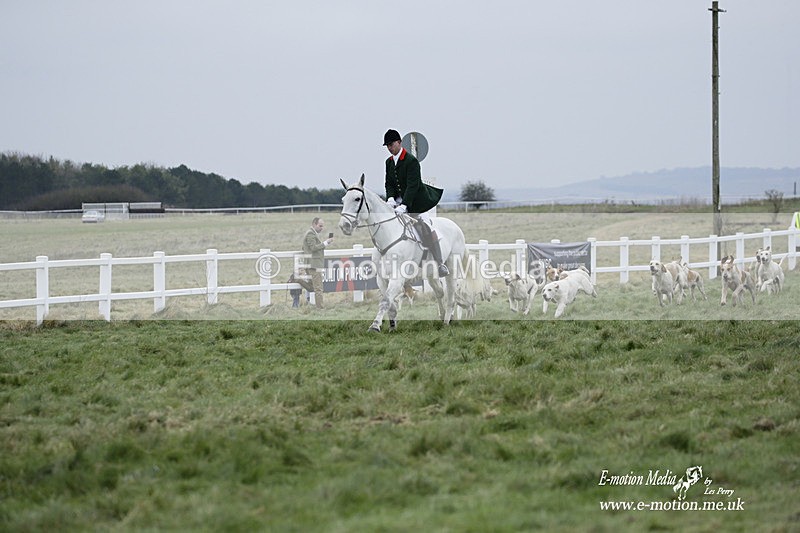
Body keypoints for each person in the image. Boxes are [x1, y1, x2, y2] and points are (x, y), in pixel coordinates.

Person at [383, 128, 449, 277]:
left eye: (391, 144)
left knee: (425, 225)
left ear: (399, 142)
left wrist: (404, 205)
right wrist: (390, 198)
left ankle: (440, 263)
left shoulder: (411, 161)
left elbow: (413, 186)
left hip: (416, 201)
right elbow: (389, 183)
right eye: (387, 146)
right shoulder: (389, 162)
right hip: (399, 201)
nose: (389, 148)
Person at [301, 217, 333, 309]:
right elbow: (313, 248)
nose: (322, 228)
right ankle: (320, 308)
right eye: (320, 226)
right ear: (314, 224)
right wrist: (326, 243)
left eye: (322, 226)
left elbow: (304, 248)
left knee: (312, 287)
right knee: (318, 288)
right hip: (314, 265)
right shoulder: (310, 233)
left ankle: (298, 280)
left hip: (311, 264)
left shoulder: (311, 233)